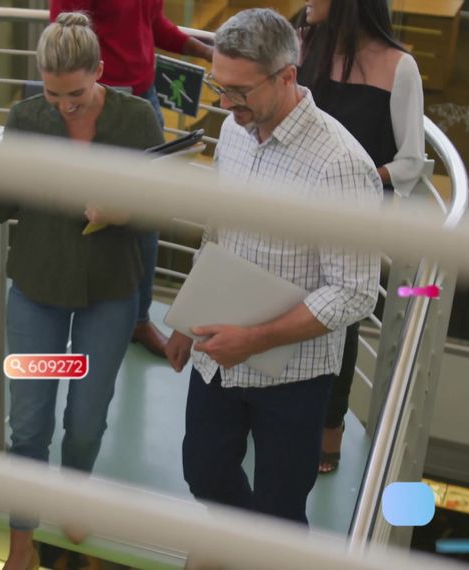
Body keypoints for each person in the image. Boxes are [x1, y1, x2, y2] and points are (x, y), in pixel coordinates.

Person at [164, 8, 381, 531]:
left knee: (282, 509)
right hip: (217, 349)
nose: (224, 103)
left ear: (287, 76)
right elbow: (218, 229)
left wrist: (254, 339)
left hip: (296, 375)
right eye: (220, 86)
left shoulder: (341, 165)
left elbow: (355, 294)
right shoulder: (236, 127)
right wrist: (183, 317)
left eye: (239, 91)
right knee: (203, 474)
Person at [0, 13, 164, 570]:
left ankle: (74, 493)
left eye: (75, 93)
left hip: (110, 292)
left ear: (101, 72)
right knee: (28, 422)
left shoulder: (137, 121)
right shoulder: (26, 119)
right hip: (36, 287)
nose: (64, 106)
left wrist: (127, 210)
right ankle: (22, 533)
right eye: (53, 94)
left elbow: (161, 208)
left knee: (85, 418)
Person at [297, 0, 425, 474]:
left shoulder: (400, 68)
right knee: (283, 308)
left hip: (353, 217)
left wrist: (361, 175)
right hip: (296, 209)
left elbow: (412, 160)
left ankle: (330, 431)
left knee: (341, 324)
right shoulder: (308, 45)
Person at [49, 0, 212, 359]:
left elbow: (153, 24)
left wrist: (205, 51)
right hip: (100, 101)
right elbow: (65, 40)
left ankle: (137, 319)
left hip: (144, 97)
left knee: (145, 213)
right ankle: (84, 319)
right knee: (92, 213)